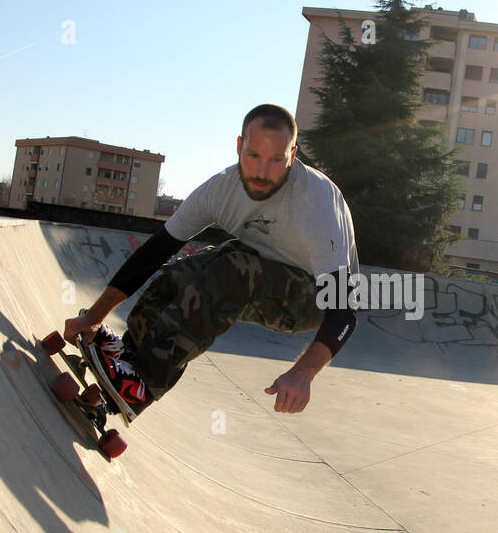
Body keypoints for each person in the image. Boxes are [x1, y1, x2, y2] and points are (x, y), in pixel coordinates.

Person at [63, 104, 359, 419]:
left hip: (313, 299)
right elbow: (156, 250)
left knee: (233, 271)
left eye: (276, 160)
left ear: (293, 154)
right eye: (253, 156)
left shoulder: (317, 204)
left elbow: (344, 312)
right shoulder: (220, 189)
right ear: (238, 147)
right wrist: (93, 316)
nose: (261, 173)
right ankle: (129, 361)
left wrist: (303, 373)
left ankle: (141, 386)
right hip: (255, 264)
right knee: (176, 277)